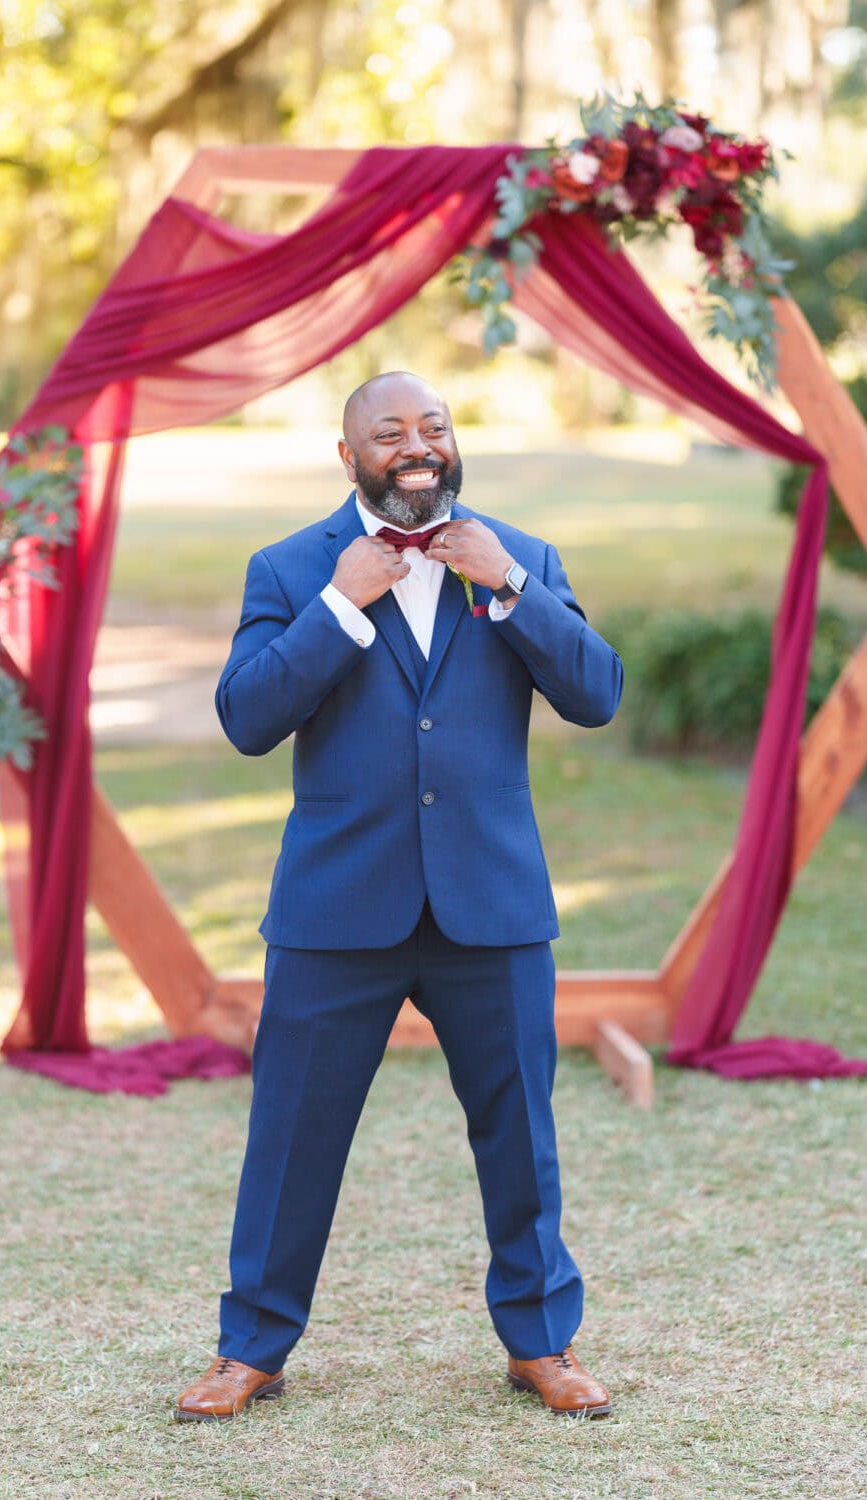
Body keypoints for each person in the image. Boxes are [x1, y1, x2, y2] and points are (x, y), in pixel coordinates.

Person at [175, 371, 623, 1422]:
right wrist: (342, 604)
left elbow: (595, 694)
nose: (416, 445)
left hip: (491, 904)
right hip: (338, 909)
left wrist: (510, 585)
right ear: (351, 457)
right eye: (390, 432)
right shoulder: (290, 567)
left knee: (520, 1133)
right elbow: (247, 718)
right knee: (290, 1137)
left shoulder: (524, 558)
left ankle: (541, 1343)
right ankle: (252, 1349)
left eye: (433, 426)